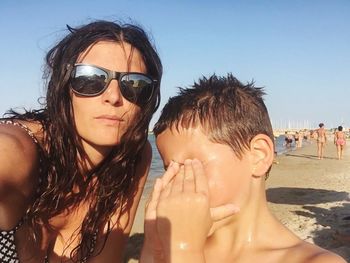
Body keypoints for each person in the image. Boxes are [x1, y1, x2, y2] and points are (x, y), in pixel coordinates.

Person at [0, 20, 162, 262]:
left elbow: (106, 258)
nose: (114, 97)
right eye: (90, 79)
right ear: (63, 87)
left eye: (135, 84)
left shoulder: (134, 156)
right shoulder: (18, 151)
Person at [141, 74, 346, 263]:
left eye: (191, 168)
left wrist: (184, 250)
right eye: (169, 169)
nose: (174, 185)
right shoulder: (168, 251)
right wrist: (154, 250)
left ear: (258, 155)